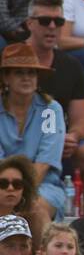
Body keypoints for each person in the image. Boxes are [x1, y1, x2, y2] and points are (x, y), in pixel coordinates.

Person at [25, 0, 84, 190]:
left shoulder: (71, 66)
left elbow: (82, 122)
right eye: (45, 21)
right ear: (29, 23)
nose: (52, 27)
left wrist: (72, 137)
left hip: (55, 141)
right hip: (13, 141)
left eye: (58, 21)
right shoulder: (10, 59)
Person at [0, 43, 64, 222]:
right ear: (6, 78)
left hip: (43, 186)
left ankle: (43, 251)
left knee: (34, 206)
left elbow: (44, 163)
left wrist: (21, 196)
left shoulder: (50, 111)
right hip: (1, 184)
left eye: (31, 73)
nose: (26, 78)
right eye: (19, 73)